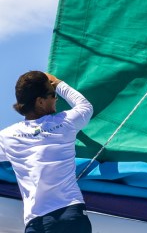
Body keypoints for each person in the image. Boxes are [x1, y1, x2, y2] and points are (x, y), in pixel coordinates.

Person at [0, 71, 93, 232]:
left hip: (38, 224)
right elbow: (85, 106)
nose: (56, 98)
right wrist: (58, 83)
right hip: (72, 215)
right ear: (41, 102)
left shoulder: (7, 137)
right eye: (52, 94)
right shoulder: (65, 123)